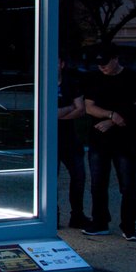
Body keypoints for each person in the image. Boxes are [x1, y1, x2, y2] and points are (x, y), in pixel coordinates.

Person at [81, 44, 136, 241]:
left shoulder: (133, 79)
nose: (102, 67)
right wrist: (111, 115)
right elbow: (89, 107)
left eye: (106, 62)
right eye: (99, 63)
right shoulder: (94, 79)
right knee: (97, 183)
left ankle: (128, 225)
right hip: (99, 140)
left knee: (127, 184)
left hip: (125, 141)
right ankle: (100, 221)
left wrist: (113, 121)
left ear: (116, 59)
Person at [56, 55, 87, 229]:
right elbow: (49, 113)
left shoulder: (72, 83)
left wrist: (60, 113)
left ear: (62, 64)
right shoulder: (44, 84)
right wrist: (70, 108)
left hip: (70, 139)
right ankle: (53, 216)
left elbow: (81, 109)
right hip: (52, 141)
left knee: (79, 177)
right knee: (51, 180)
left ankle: (77, 215)